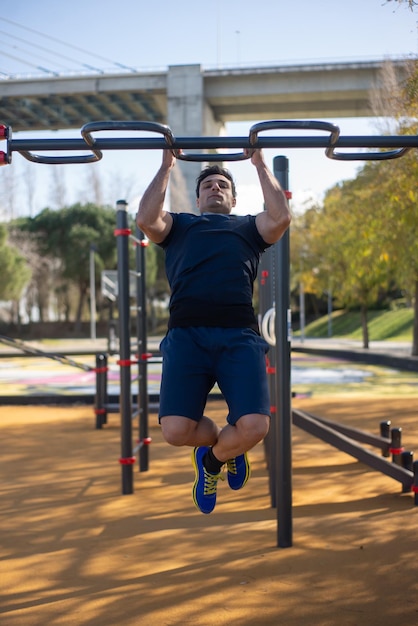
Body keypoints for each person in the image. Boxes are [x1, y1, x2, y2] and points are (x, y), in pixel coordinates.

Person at [136, 148, 291, 514]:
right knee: (175, 431)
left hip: (238, 337)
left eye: (223, 185)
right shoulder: (180, 226)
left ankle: (213, 461)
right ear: (198, 197)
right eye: (208, 185)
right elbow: (145, 219)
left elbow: (281, 216)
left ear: (234, 198)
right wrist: (166, 165)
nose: (215, 188)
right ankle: (224, 447)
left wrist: (258, 163)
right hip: (187, 337)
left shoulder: (249, 227)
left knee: (255, 427)